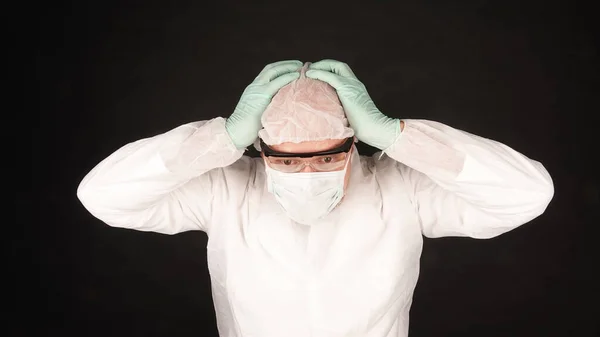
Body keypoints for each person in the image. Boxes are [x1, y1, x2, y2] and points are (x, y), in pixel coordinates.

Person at [77, 59, 554, 337]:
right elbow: (104, 197)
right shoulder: (227, 189)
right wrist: (220, 139)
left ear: (352, 142)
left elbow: (525, 194)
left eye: (326, 158)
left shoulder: (400, 187)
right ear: (259, 148)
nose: (306, 173)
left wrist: (398, 137)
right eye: (286, 160)